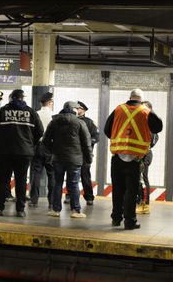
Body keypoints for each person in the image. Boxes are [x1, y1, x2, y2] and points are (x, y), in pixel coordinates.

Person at [104, 89, 162, 230]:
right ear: (142, 100)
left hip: (117, 157)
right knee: (131, 190)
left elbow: (107, 130)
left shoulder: (118, 109)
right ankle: (129, 221)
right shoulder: (146, 111)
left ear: (129, 97)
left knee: (117, 189)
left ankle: (116, 218)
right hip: (135, 159)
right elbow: (158, 127)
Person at [0, 89, 44, 217]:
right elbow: (40, 132)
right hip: (24, 153)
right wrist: (31, 145)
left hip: (4, 152)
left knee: (2, 180)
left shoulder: (2, 111)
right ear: (22, 98)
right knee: (21, 180)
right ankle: (20, 210)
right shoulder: (31, 112)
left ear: (11, 98)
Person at [43, 101, 93, 218]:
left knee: (57, 184)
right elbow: (87, 143)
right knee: (74, 184)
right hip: (75, 159)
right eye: (77, 108)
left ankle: (55, 210)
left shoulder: (54, 122)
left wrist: (53, 151)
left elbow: (45, 141)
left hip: (57, 158)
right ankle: (76, 211)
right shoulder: (80, 122)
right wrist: (88, 158)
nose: (78, 110)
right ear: (73, 109)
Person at [64, 101, 99, 206]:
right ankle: (69, 196)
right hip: (73, 154)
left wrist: (86, 142)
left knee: (85, 176)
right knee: (71, 176)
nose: (76, 110)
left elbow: (96, 137)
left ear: (83, 110)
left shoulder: (89, 122)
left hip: (84, 155)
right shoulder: (70, 120)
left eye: (78, 108)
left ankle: (89, 198)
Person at [29, 92, 55, 209]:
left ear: (40, 103)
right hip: (50, 148)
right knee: (52, 175)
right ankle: (52, 201)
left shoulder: (35, 115)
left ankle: (34, 200)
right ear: (50, 103)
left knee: (36, 175)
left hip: (38, 147)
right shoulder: (54, 116)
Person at [136, 101, 159, 215]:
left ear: (149, 109)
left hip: (145, 154)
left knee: (143, 178)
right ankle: (139, 201)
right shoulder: (141, 121)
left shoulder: (151, 123)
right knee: (137, 178)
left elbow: (153, 140)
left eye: (144, 107)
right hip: (138, 153)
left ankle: (145, 204)